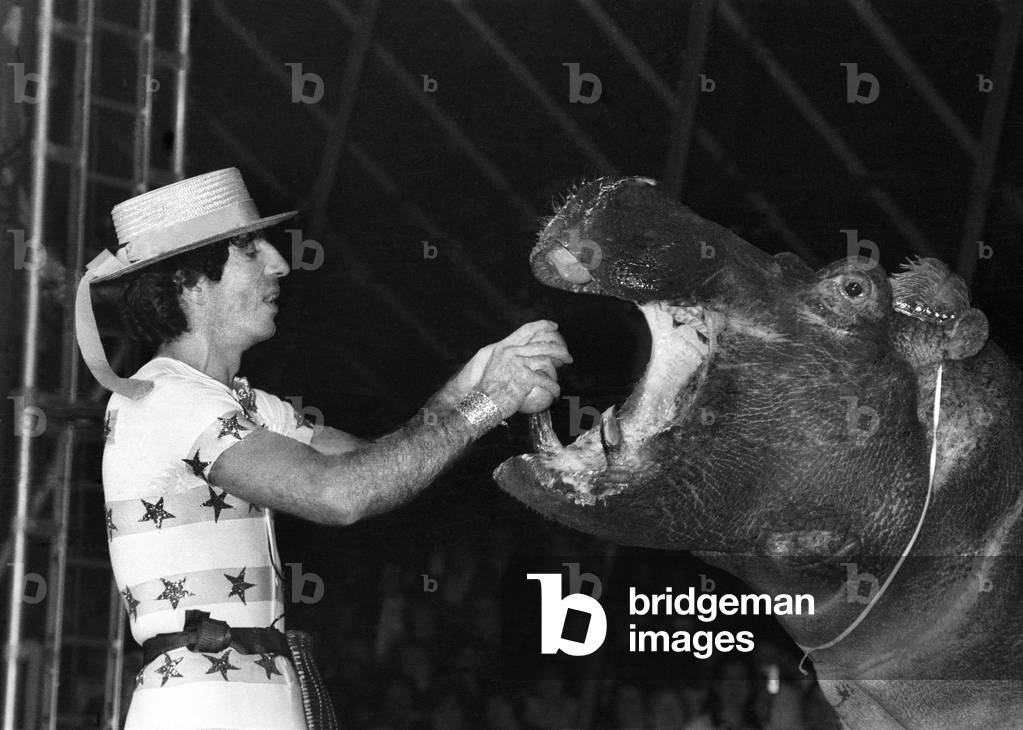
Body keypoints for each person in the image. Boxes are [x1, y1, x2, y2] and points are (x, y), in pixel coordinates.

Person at [74, 168, 571, 729]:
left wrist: (471, 384)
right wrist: (486, 404)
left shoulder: (248, 406)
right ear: (190, 281)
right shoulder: (164, 397)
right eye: (248, 248)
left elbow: (375, 467)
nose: (279, 264)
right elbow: (340, 496)